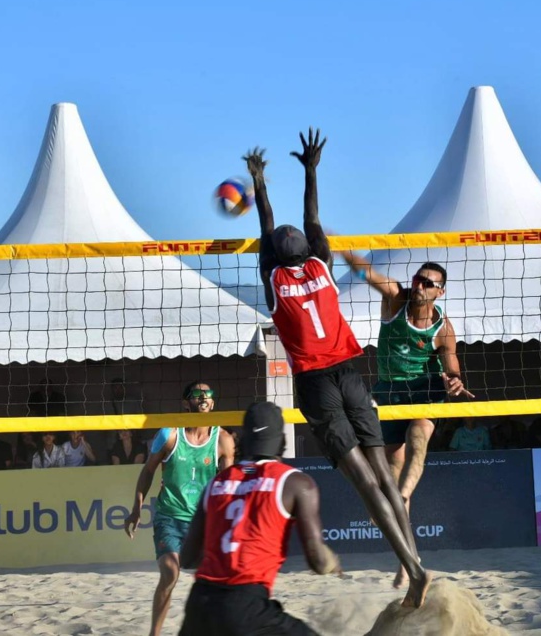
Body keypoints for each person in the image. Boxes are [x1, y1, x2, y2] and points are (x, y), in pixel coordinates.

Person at [244, 128, 430, 608]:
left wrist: (259, 183)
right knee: (386, 478)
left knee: (364, 482)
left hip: (316, 383)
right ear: (309, 249)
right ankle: (411, 560)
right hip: (351, 373)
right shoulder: (322, 266)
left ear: (275, 256)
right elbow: (310, 216)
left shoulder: (273, 277)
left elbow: (270, 228)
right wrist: (310, 169)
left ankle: (414, 569)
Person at [339, 251, 473, 586]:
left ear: (439, 292)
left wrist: (454, 378)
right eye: (418, 278)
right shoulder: (396, 299)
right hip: (388, 392)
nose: (419, 285)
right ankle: (407, 562)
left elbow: (451, 362)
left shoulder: (444, 327)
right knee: (391, 472)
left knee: (418, 438)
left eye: (428, 283)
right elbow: (367, 273)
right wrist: (341, 248)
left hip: (425, 389)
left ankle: (399, 497)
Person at [179, 401, 340, 636]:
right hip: (245, 606)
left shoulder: (216, 482)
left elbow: (188, 559)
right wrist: (331, 562)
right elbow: (317, 562)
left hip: (199, 605)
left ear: (243, 440)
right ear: (281, 441)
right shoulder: (295, 483)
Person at [124, 382, 235, 636]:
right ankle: (155, 633)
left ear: (214, 403)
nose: (204, 397)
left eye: (209, 394)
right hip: (170, 517)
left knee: (219, 582)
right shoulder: (170, 434)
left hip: (203, 522)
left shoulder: (223, 440)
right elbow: (148, 470)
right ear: (186, 403)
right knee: (170, 573)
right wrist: (136, 507)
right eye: (197, 394)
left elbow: (226, 488)